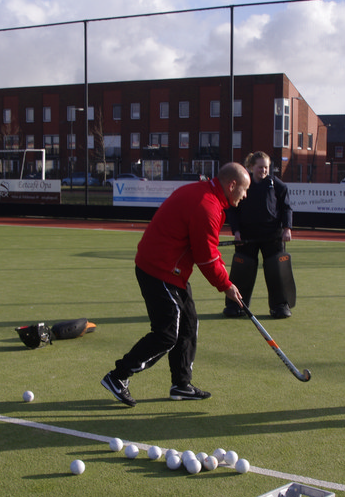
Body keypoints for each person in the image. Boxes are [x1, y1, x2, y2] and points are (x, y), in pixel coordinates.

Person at [101, 163, 251, 407]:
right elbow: (206, 258)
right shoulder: (207, 206)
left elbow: (207, 250)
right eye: (244, 189)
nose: (245, 196)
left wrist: (223, 277)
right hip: (159, 269)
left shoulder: (204, 194)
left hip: (169, 268)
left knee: (189, 323)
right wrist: (226, 285)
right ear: (232, 185)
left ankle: (181, 385)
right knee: (167, 334)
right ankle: (118, 376)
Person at [223, 151, 295, 318]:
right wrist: (237, 231)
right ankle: (236, 305)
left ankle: (280, 306)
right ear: (251, 167)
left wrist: (287, 228)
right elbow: (233, 209)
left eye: (266, 167)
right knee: (242, 271)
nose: (263, 170)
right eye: (260, 167)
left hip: (272, 236)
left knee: (276, 270)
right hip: (247, 236)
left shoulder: (277, 185)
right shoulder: (242, 184)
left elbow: (286, 208)